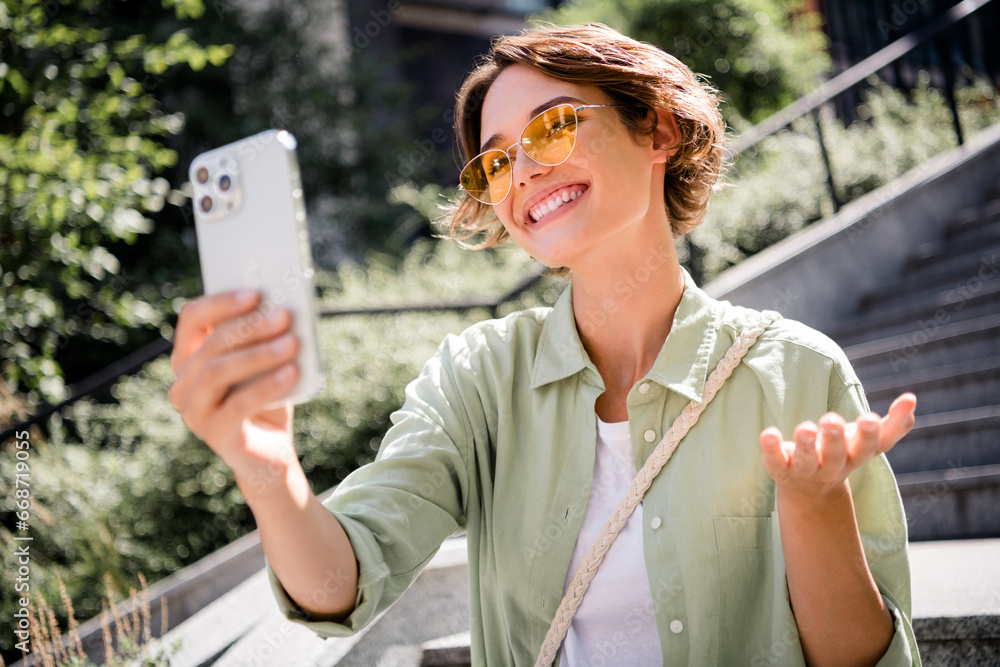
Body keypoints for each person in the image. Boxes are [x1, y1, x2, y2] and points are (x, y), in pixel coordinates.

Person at [169, 22, 920, 666]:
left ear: (655, 129)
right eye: (495, 161)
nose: (523, 169)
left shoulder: (797, 371)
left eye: (553, 127)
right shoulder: (475, 380)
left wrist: (815, 504)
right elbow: (339, 582)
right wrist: (267, 471)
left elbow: (865, 657)